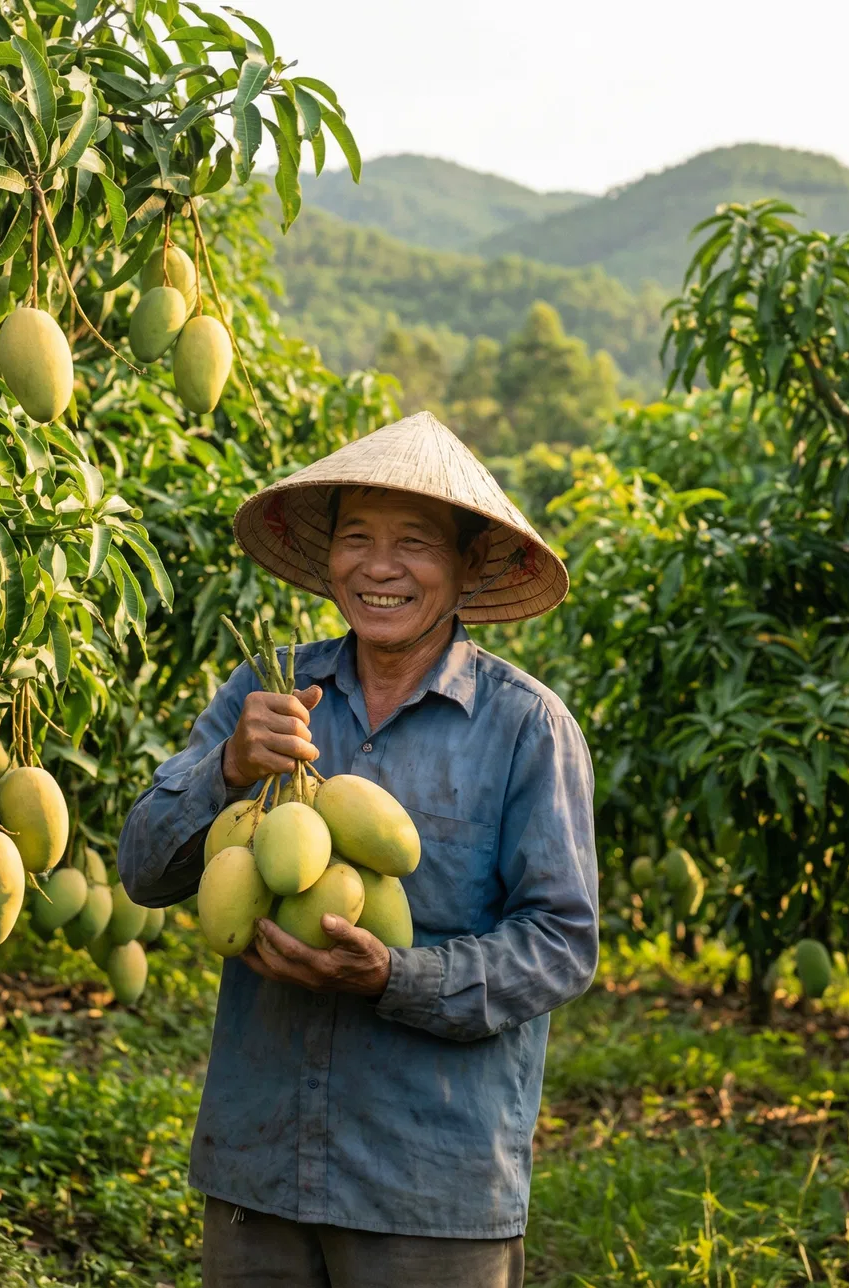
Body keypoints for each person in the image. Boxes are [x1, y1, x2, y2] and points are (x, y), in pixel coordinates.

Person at [118, 411, 599, 1288]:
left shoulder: (527, 728)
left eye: (414, 542)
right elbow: (144, 872)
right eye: (357, 538)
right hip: (256, 1176)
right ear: (328, 556)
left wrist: (395, 978)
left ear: (466, 567)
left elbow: (562, 945)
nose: (380, 567)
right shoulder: (266, 689)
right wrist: (226, 768)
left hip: (429, 1190)